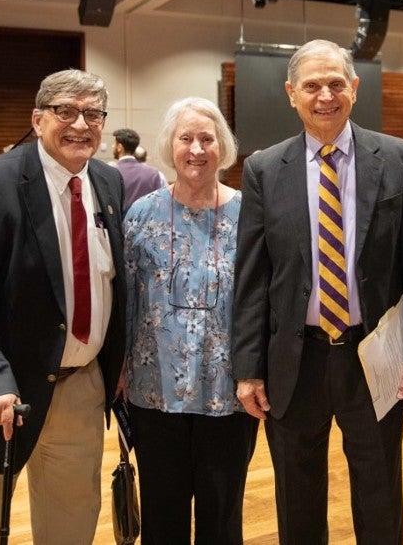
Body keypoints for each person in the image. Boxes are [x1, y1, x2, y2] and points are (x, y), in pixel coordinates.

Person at [232, 39, 403, 544]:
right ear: (291, 94)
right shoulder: (262, 169)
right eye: (312, 85)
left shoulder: (398, 158)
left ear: (355, 88)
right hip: (294, 360)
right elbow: (253, 278)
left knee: (380, 490)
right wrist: (248, 367)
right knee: (296, 494)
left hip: (373, 354)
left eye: (336, 83)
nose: (326, 95)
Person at [0, 69, 127, 544]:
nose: (81, 123)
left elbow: (117, 286)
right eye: (65, 111)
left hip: (80, 389)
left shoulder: (109, 183)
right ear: (37, 120)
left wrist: (118, 362)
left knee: (71, 528)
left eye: (93, 113)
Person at [123, 97, 258, 544]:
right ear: (170, 146)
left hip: (230, 394)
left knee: (223, 519)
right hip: (153, 393)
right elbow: (125, 300)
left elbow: (266, 301)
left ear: (223, 146)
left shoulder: (251, 216)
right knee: (163, 519)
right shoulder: (140, 216)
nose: (197, 149)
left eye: (207, 138)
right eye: (186, 138)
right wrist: (118, 370)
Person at [113, 127, 165, 213]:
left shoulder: (110, 173)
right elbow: (161, 204)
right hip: (148, 224)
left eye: (114, 144)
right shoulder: (154, 174)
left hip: (120, 225)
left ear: (119, 147)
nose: (112, 146)